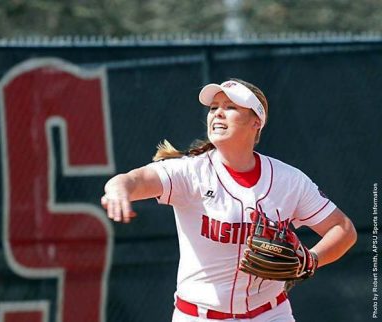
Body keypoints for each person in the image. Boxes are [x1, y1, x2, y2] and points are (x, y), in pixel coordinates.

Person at [101, 79, 357, 321]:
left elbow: (343, 230)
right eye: (214, 108)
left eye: (230, 107)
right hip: (199, 315)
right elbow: (134, 179)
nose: (217, 113)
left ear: (256, 121)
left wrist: (310, 260)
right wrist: (118, 189)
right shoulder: (190, 172)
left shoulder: (288, 180)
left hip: (271, 313)